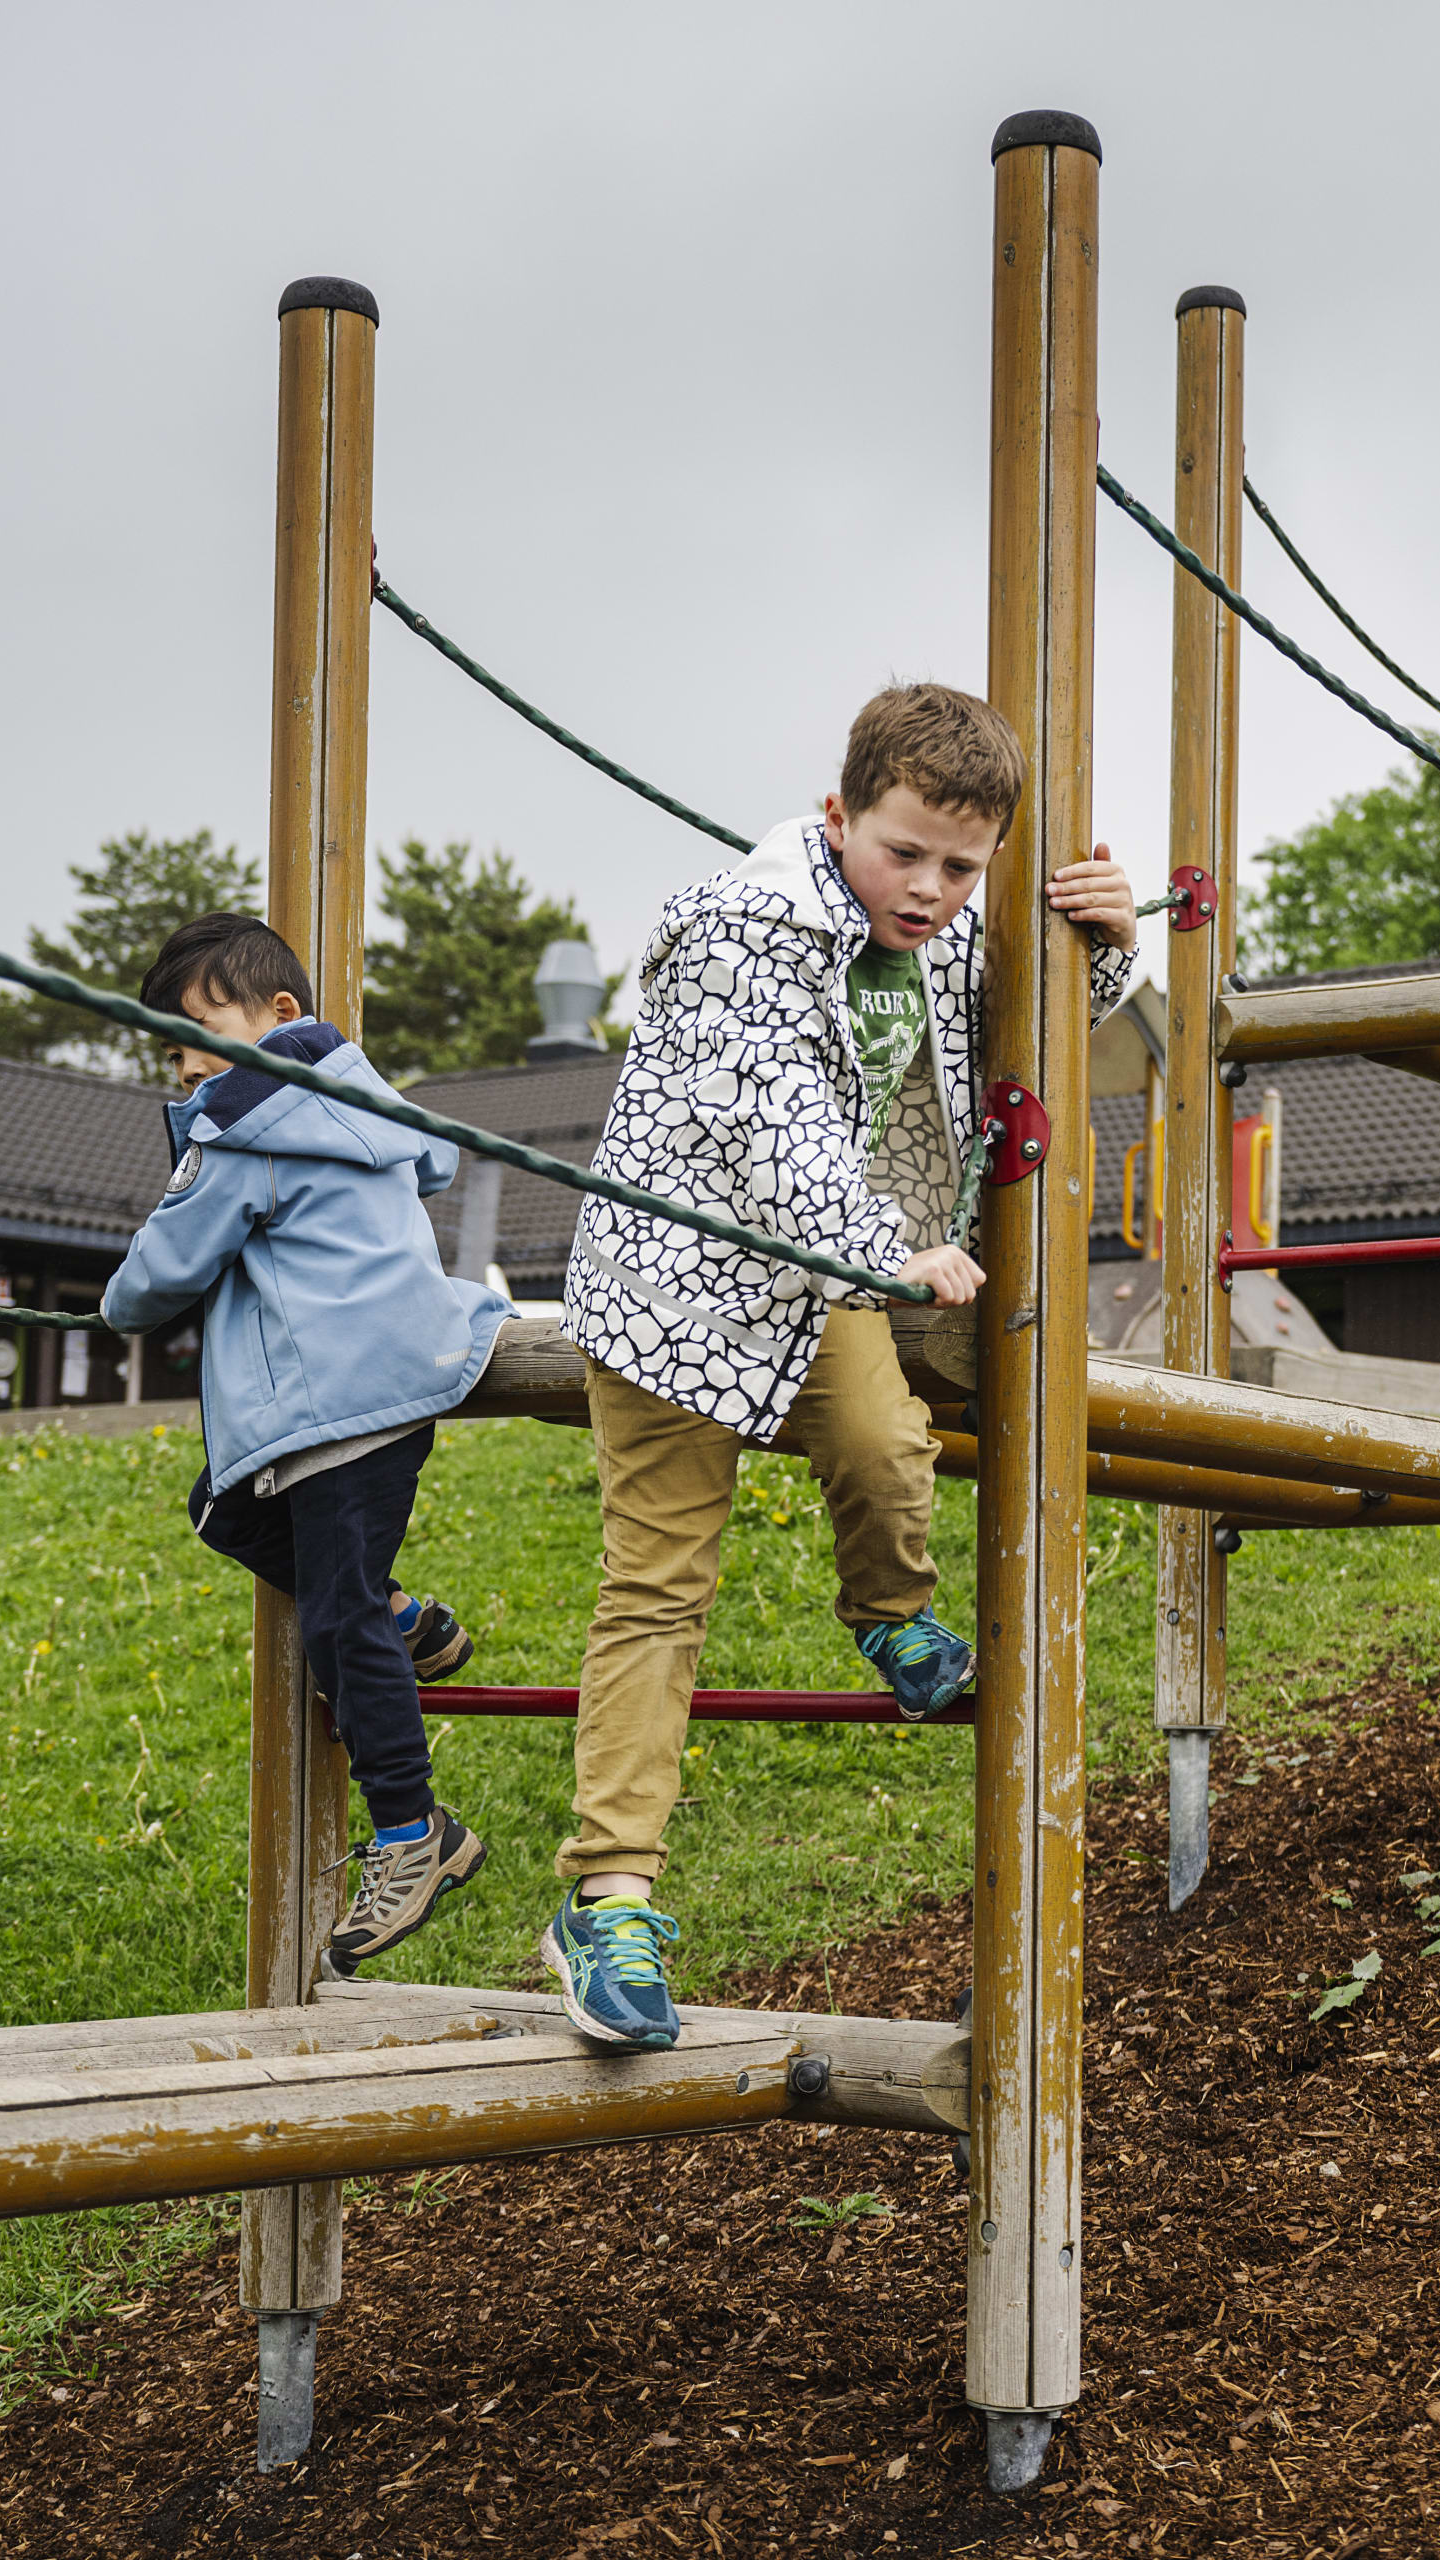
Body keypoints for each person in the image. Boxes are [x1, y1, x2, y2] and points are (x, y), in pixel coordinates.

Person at [547, 683, 1138, 2051]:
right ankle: (610, 1898)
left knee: (884, 1445)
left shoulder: (933, 925)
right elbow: (779, 1128)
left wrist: (1099, 948)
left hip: (831, 1278)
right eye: (905, 852)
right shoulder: (737, 927)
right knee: (659, 1584)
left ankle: (889, 1617)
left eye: (962, 866)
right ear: (839, 816)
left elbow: (1012, 1016)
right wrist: (894, 1250)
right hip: (677, 1288)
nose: (930, 890)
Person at [102, 914, 514, 1980]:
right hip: (385, 1379)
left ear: (279, 1016)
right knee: (226, 1511)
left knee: (333, 1614)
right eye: (172, 1044)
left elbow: (151, 1281)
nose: (190, 1061)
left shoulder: (246, 1125)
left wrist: (136, 1256)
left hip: (338, 1396)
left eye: (200, 1030)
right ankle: (405, 1620)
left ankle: (413, 1835)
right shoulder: (364, 1105)